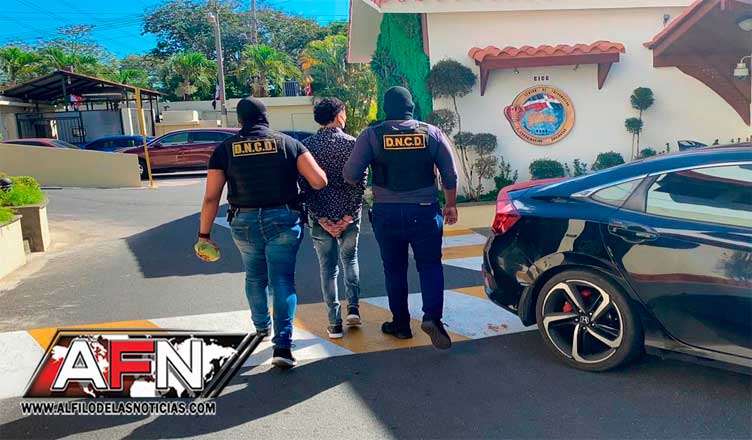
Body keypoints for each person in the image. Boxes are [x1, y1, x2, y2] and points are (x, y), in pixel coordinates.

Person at [196, 97, 327, 368]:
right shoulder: (288, 143)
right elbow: (318, 180)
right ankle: (283, 346)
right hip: (283, 219)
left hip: (243, 220)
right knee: (283, 280)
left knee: (255, 276)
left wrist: (204, 236)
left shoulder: (224, 149)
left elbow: (211, 197)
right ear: (266, 117)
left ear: (240, 120)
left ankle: (261, 328)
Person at [344, 86, 459, 350]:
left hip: (387, 212)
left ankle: (401, 324)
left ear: (386, 108)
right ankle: (432, 317)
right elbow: (449, 174)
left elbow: (350, 175)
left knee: (394, 269)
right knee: (430, 265)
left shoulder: (371, 135)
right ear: (412, 107)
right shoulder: (431, 133)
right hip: (425, 210)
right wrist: (451, 204)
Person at [300, 98, 367, 339]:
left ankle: (334, 323)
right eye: (344, 113)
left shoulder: (306, 147)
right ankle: (354, 309)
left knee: (327, 269)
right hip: (349, 214)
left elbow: (303, 185)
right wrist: (348, 215)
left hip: (320, 216)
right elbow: (361, 181)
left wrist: (321, 218)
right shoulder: (353, 144)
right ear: (338, 115)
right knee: (350, 259)